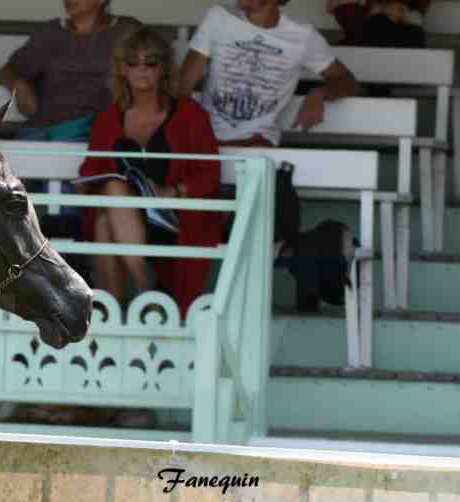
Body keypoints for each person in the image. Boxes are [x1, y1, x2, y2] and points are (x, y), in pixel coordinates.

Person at [79, 25, 223, 312]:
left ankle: (114, 314)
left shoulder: (190, 114)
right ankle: (147, 288)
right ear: (122, 69)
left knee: (108, 215)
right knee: (110, 205)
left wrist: (172, 191)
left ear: (163, 68)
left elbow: (209, 175)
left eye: (150, 62)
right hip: (125, 216)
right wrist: (86, 182)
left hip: (174, 216)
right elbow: (91, 169)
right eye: (132, 63)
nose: (141, 70)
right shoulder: (108, 119)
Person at [180, 0, 359, 147]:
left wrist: (320, 93)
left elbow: (347, 81)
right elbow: (184, 83)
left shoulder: (302, 36)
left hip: (258, 144)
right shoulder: (218, 17)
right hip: (205, 140)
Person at [1, 0, 140, 141]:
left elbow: (154, 68)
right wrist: (19, 85)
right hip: (44, 129)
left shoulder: (125, 31)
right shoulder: (51, 32)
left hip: (98, 131)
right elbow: (10, 69)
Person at [329, 0, 428, 48]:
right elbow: (333, 4)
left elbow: (414, 17)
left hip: (401, 31)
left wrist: (399, 11)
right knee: (377, 23)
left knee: (415, 34)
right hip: (366, 33)